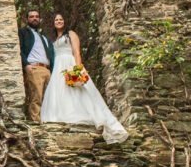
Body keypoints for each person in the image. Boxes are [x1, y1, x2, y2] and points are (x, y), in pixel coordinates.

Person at [40, 13, 129, 144]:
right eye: (56, 20)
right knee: (58, 91)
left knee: (77, 90)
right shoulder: (54, 38)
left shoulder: (71, 34)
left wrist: (77, 69)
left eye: (61, 19)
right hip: (58, 67)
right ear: (53, 23)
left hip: (69, 63)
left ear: (65, 21)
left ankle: (86, 117)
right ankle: (61, 116)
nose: (59, 21)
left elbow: (76, 52)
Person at [18, 9, 54, 122]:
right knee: (36, 96)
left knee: (49, 98)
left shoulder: (44, 37)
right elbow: (19, 49)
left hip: (47, 70)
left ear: (40, 19)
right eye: (31, 16)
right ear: (27, 19)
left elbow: (51, 55)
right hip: (34, 68)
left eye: (36, 16)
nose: (34, 18)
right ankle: (35, 123)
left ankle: (47, 121)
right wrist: (26, 65)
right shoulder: (23, 32)